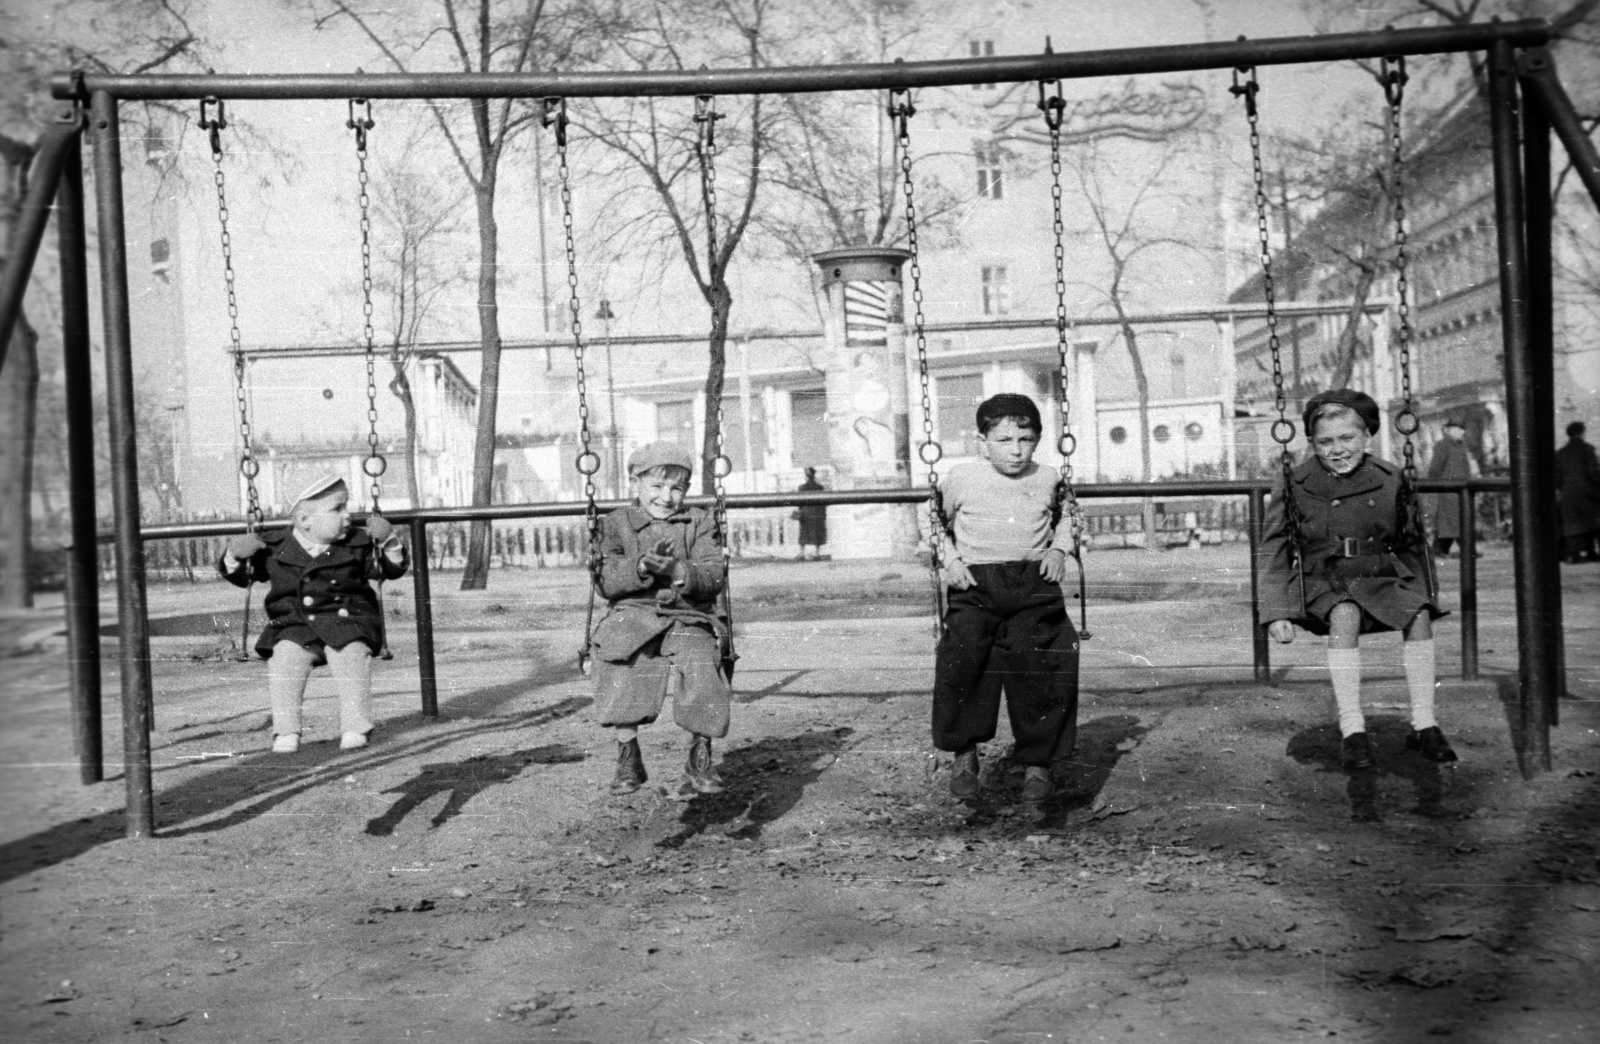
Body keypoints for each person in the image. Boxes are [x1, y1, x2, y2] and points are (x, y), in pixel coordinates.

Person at [1259, 389, 1456, 772]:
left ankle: (1425, 723)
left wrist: (1423, 593)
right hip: (1324, 578)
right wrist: (1276, 610)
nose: (1337, 449)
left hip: (1378, 572)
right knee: (1344, 613)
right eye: (1325, 441)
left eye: (1346, 438)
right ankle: (1353, 729)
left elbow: (1413, 543)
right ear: (1312, 444)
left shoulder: (1389, 478)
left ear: (1366, 436)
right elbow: (1273, 548)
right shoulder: (1297, 482)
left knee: (1416, 615)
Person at [931, 393, 1080, 804]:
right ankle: (964, 757)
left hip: (1033, 584)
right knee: (962, 662)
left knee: (1044, 666)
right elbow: (933, 523)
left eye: (1026, 440)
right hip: (974, 586)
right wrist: (951, 560)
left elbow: (1070, 517)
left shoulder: (1049, 477)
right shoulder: (962, 477)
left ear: (1037, 440)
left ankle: (1038, 766)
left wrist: (1058, 550)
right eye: (1004, 441)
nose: (1016, 451)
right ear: (983, 442)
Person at [219, 475, 407, 753]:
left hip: (348, 624)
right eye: (337, 509)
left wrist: (389, 542)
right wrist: (234, 555)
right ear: (305, 520)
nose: (348, 515)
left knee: (353, 657)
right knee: (284, 660)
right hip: (296, 627)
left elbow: (390, 570)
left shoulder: (358, 543)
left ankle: (356, 726)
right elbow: (242, 576)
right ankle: (286, 730)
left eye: (346, 506)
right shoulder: (274, 547)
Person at [591, 442, 732, 799]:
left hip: (687, 614)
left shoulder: (698, 521)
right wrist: (639, 567)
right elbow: (606, 580)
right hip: (633, 613)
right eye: (656, 486)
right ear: (635, 484)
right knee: (618, 657)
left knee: (702, 662)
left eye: (676, 488)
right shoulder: (616, 524)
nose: (666, 497)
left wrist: (677, 570)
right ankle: (628, 755)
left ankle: (700, 754)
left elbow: (714, 573)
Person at [1426, 418, 1477, 558]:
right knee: (1450, 521)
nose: (1462, 432)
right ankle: (1448, 549)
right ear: (1448, 430)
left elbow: (1465, 467)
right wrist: (1437, 485)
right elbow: (1435, 468)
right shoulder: (1443, 445)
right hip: (1448, 490)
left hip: (1460, 489)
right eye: (1458, 428)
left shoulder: (1461, 446)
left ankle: (1459, 549)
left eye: (1462, 429)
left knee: (1457, 520)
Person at [1556, 421, 1600, 563]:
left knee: (1573, 524)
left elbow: (1556, 476)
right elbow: (1594, 473)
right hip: (1588, 492)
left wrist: (1564, 488)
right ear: (1582, 432)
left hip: (1568, 494)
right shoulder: (1588, 449)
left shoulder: (1560, 453)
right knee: (1594, 522)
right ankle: (1591, 551)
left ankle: (1573, 553)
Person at [795, 466, 828, 560]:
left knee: (804, 533)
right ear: (814, 476)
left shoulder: (802, 488)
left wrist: (800, 511)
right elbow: (823, 502)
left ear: (806, 476)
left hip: (806, 513)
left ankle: (802, 553)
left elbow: (799, 502)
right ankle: (817, 553)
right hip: (817, 513)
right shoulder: (820, 487)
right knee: (817, 532)